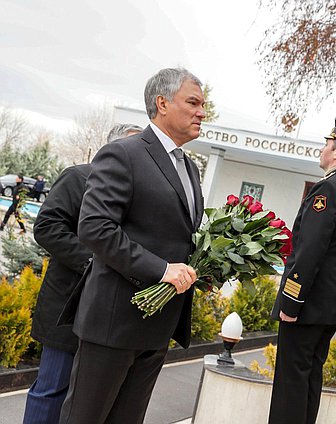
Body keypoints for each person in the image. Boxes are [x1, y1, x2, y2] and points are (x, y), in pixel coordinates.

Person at [58, 68, 205, 424]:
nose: (202, 112)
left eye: (203, 105)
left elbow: (175, 234)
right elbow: (94, 228)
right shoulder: (123, 153)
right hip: (114, 321)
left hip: (158, 324)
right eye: (193, 102)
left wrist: (198, 267)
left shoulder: (190, 168)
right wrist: (161, 269)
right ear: (162, 103)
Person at [22, 123, 142, 424]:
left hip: (108, 315)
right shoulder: (77, 177)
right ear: (113, 149)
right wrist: (96, 262)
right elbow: (47, 227)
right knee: (52, 391)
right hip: (67, 306)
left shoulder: (137, 192)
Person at [268, 116, 336, 424]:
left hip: (304, 306)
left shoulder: (327, 191)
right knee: (310, 377)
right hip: (327, 305)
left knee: (291, 381)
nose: (322, 149)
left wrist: (291, 301)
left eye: (326, 144)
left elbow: (308, 251)